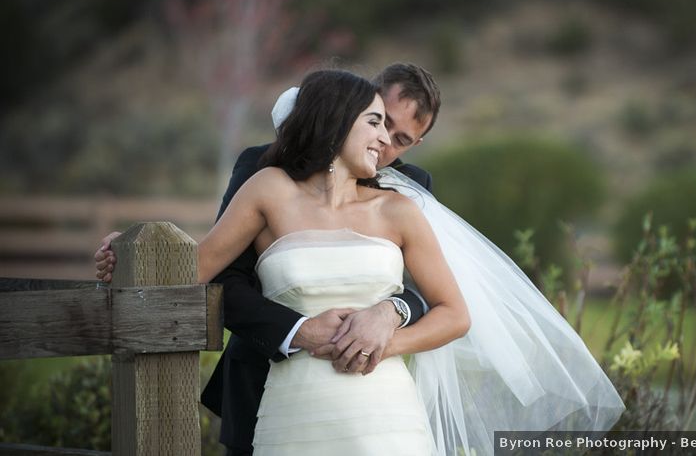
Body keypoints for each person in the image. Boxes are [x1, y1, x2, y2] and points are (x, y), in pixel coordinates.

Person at [95, 63, 444, 455]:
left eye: (400, 138)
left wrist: (389, 315)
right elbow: (221, 270)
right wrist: (133, 256)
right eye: (379, 121)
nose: (385, 143)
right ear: (351, 107)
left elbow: (429, 289)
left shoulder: (407, 194)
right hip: (267, 377)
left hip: (378, 398)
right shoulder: (264, 172)